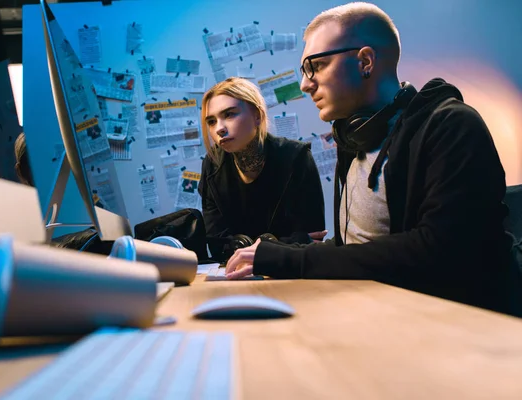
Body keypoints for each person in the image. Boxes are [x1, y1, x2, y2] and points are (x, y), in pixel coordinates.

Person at [225, 2, 517, 314]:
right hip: (377, 313)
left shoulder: (451, 125)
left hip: (457, 330)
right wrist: (273, 251)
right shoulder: (354, 142)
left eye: (316, 66)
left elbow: (438, 251)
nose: (305, 84)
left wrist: (286, 258)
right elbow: (355, 249)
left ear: (365, 61)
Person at [198, 77, 326, 259]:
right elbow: (217, 243)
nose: (219, 129)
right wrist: (279, 243)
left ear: (257, 116)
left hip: (289, 272)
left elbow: (312, 238)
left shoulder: (296, 157)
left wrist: (264, 248)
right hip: (235, 272)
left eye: (229, 114)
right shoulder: (212, 166)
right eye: (211, 121)